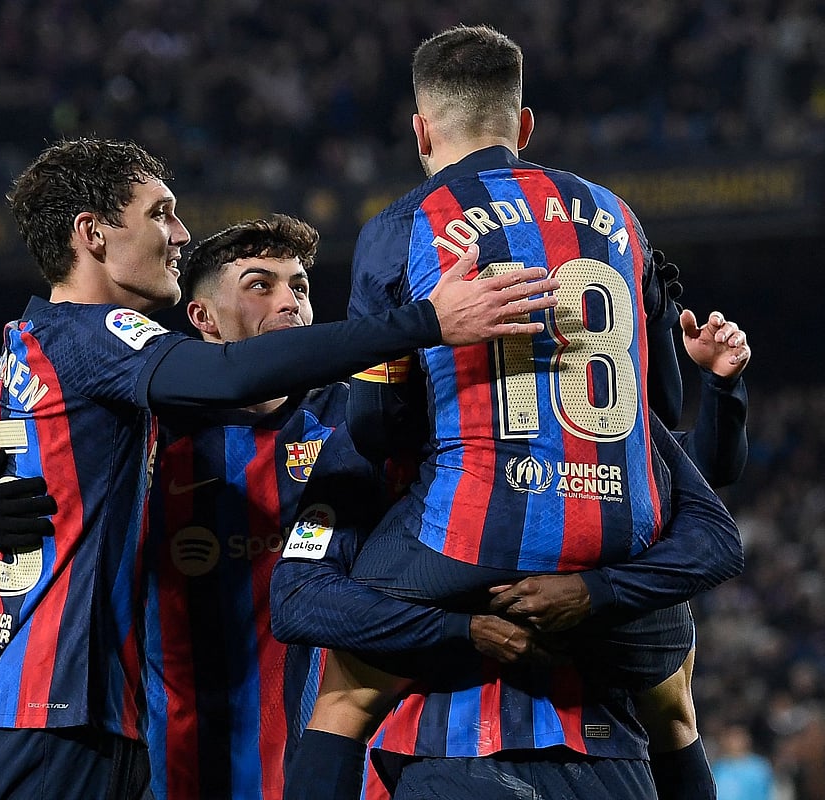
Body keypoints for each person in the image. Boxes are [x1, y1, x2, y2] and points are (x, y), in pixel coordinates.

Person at [0, 136, 560, 800]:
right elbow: (221, 381)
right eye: (160, 213)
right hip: (130, 745)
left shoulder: (358, 423)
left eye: (299, 285)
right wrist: (423, 320)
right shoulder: (139, 394)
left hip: (303, 757)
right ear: (202, 319)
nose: (179, 233)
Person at [272, 24, 745, 800]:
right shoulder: (620, 216)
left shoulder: (402, 227)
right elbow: (662, 405)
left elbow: (377, 428)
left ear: (421, 130)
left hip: (475, 535)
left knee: (345, 690)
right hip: (620, 536)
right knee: (673, 699)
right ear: (524, 126)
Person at [710, 724, 774, 800]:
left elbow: (764, 793)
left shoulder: (759, 767)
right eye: (730, 738)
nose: (733, 742)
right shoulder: (717, 767)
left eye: (737, 738)